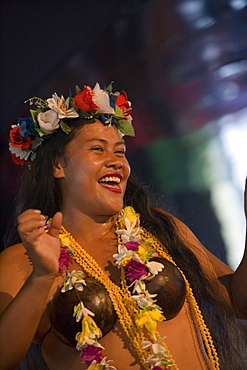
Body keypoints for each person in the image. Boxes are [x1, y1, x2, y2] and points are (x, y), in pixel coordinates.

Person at [0, 81, 246, 370]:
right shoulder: (25, 260)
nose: (116, 162)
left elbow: (238, 302)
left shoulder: (158, 228)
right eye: (97, 149)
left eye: (120, 151)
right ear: (58, 165)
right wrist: (42, 276)